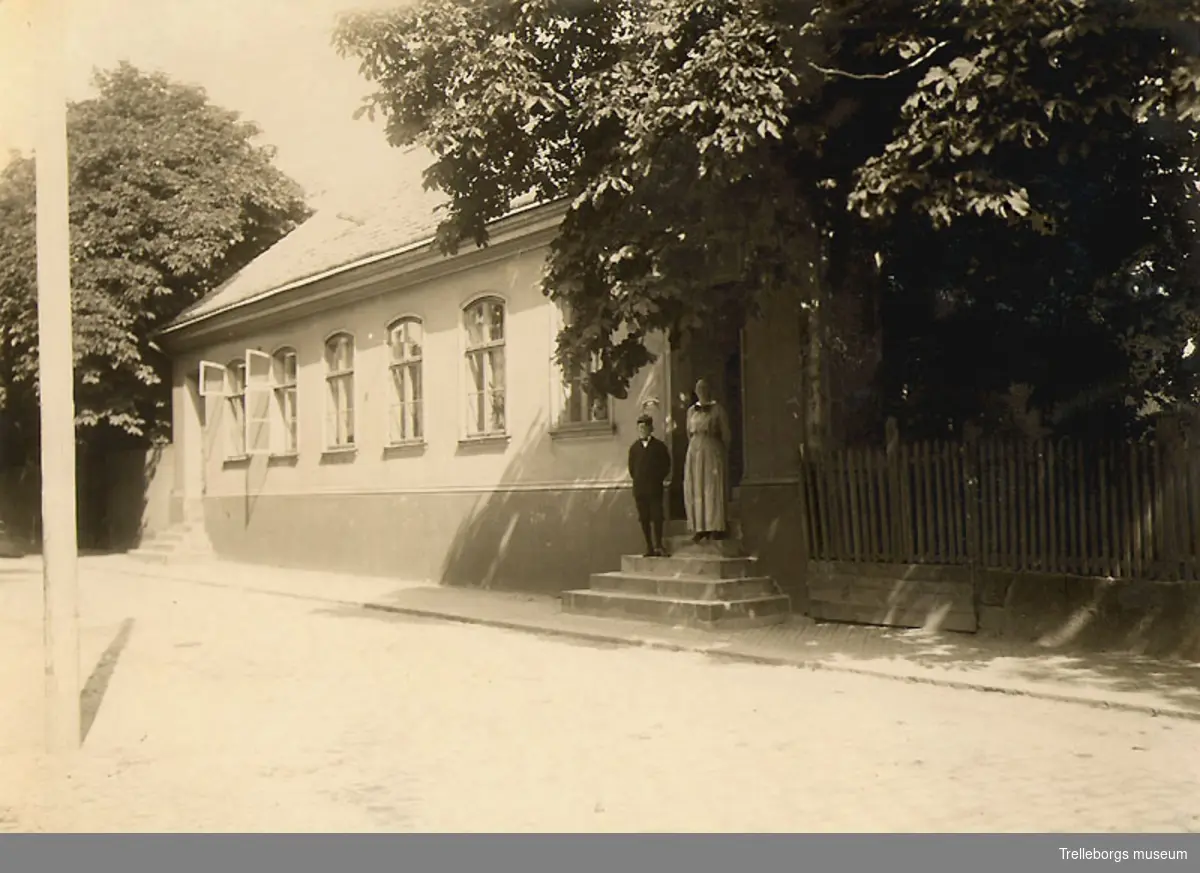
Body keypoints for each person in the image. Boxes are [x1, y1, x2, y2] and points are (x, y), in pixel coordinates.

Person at [683, 378, 731, 542]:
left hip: (711, 448)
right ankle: (699, 527)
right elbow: (688, 432)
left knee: (711, 486)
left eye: (704, 388)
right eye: (699, 388)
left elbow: (726, 434)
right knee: (696, 486)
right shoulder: (691, 411)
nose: (701, 391)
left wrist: (721, 451)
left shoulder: (717, 410)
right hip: (695, 450)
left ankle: (715, 525)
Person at [628, 413, 671, 557]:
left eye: (645, 427)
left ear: (651, 429)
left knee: (657, 516)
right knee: (644, 518)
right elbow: (632, 469)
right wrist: (640, 480)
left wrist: (657, 479)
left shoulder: (659, 447)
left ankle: (659, 545)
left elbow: (666, 465)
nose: (642, 430)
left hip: (655, 488)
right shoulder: (634, 448)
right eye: (640, 427)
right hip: (640, 490)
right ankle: (649, 546)